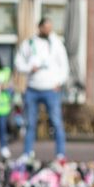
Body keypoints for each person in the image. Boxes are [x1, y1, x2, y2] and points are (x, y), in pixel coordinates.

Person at [14, 17, 70, 162]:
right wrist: (28, 68)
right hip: (32, 88)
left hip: (51, 89)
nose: (48, 30)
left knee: (56, 122)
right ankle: (27, 153)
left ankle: (60, 154)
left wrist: (60, 82)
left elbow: (64, 65)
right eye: (46, 27)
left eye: (50, 27)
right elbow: (18, 62)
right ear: (39, 27)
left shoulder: (56, 44)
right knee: (30, 122)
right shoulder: (29, 43)